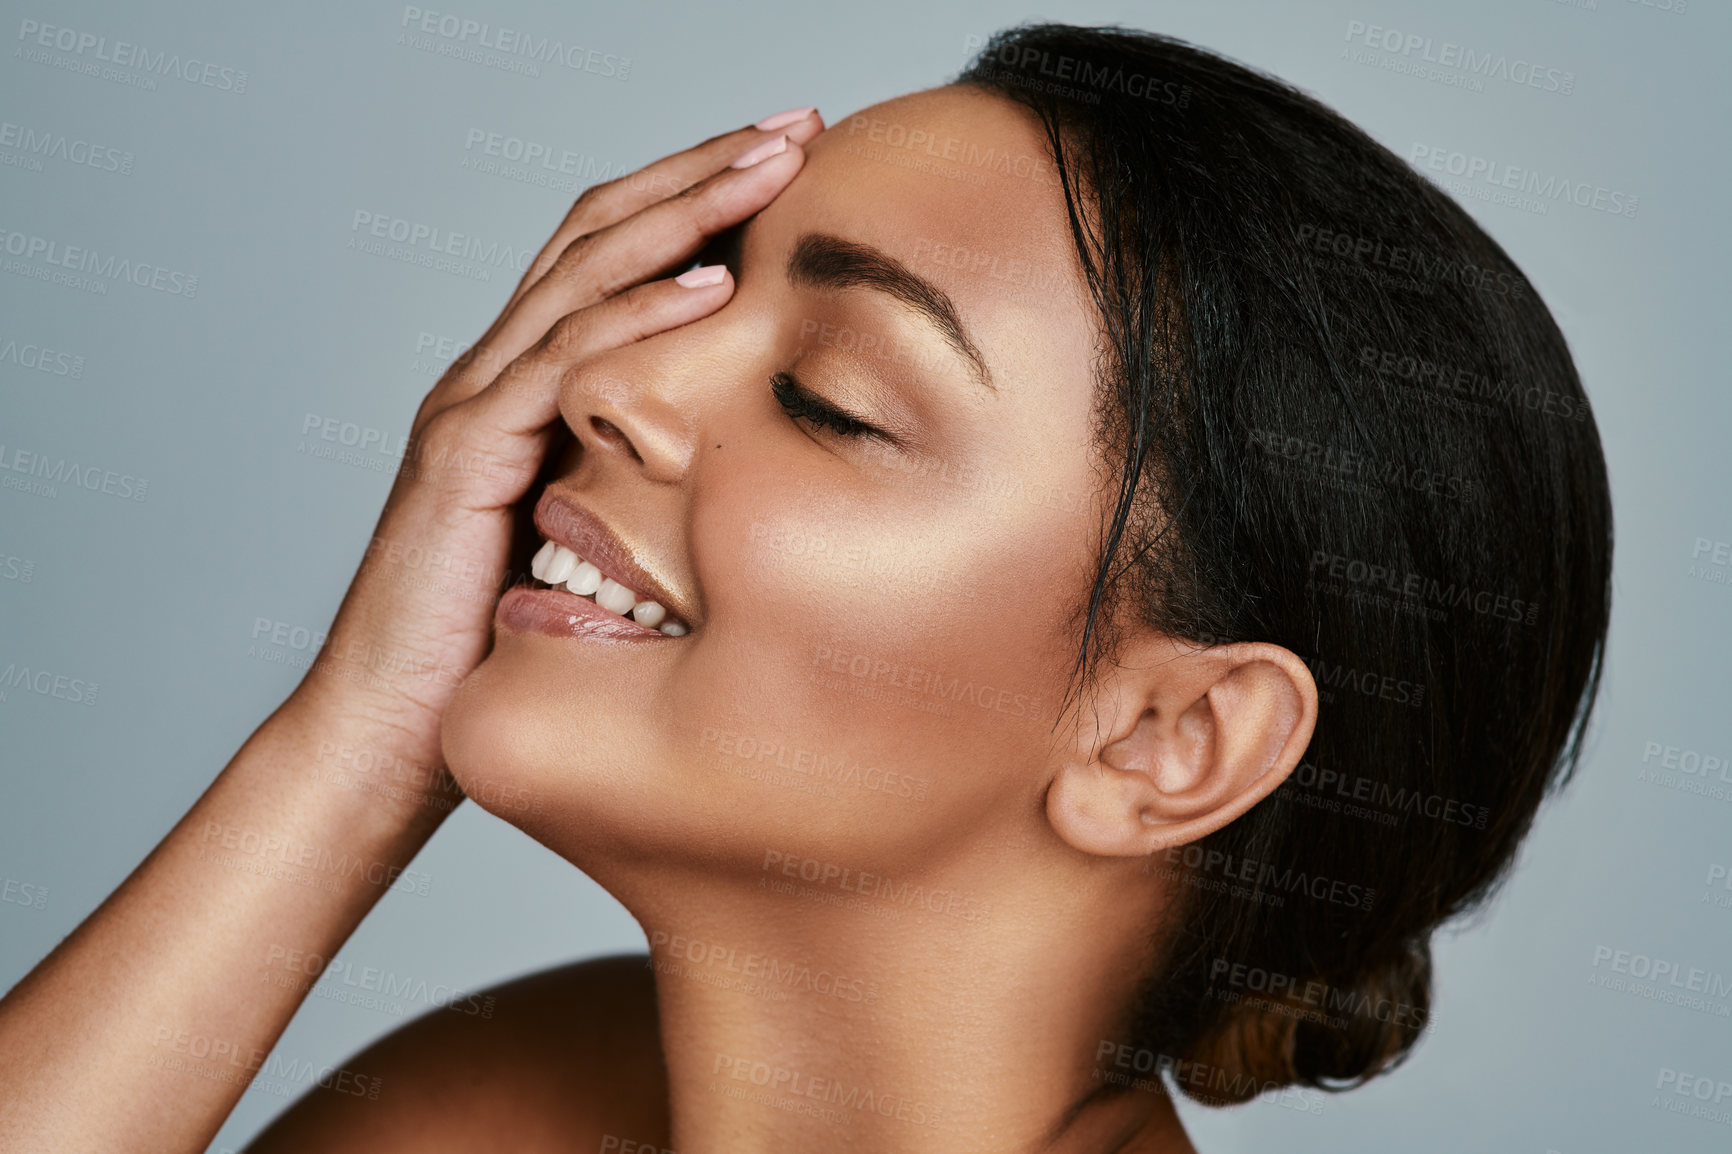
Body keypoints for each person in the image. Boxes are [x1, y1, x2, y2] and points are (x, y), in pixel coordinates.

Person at [0, 23, 1611, 1154]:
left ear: (1167, 737)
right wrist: (357, 739)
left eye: (835, 397)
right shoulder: (488, 1108)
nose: (610, 384)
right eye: (699, 289)